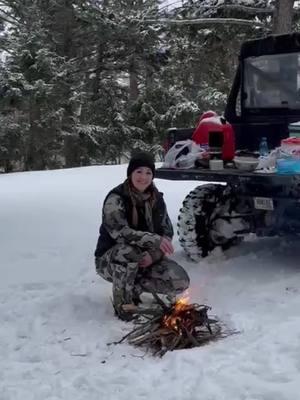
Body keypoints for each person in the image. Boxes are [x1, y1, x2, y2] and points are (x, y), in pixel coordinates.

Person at [94, 152, 190, 320]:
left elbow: (166, 232)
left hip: (144, 258)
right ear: (130, 173)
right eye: (138, 171)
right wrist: (153, 240)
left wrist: (153, 256)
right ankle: (124, 304)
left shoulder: (156, 199)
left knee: (180, 281)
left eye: (148, 173)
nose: (143, 177)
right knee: (128, 251)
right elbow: (119, 233)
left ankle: (133, 287)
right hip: (111, 260)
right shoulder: (116, 199)